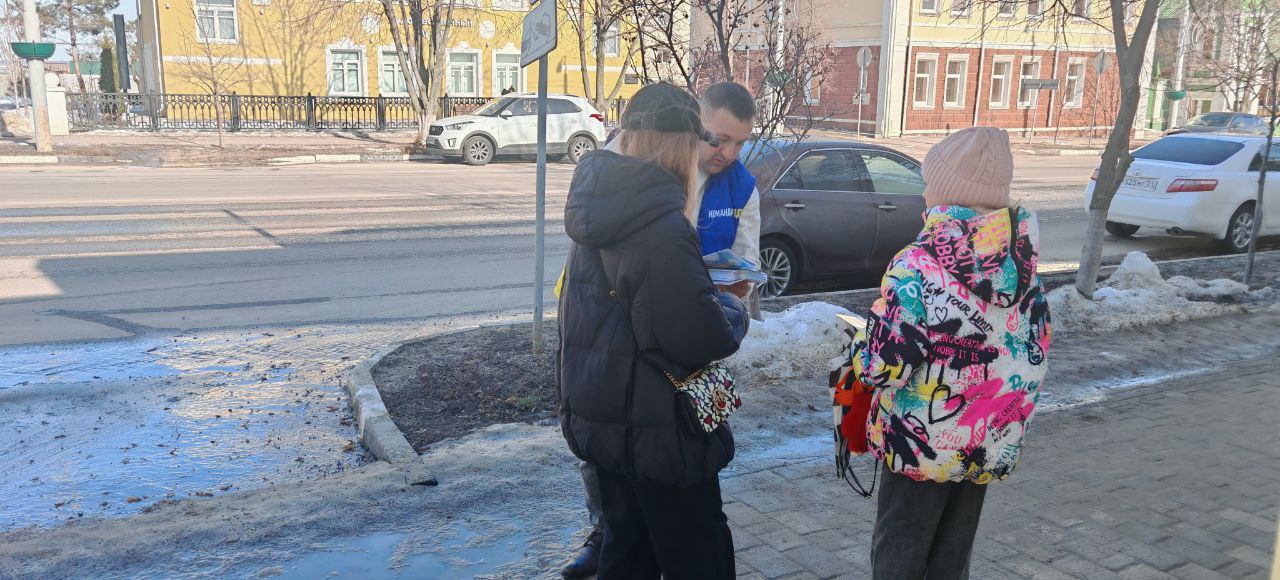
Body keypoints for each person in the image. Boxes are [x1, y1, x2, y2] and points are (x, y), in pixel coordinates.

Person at [561, 82, 761, 578]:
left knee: (628, 550)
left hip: (606, 414)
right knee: (698, 553)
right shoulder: (659, 226)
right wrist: (731, 308)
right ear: (681, 146)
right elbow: (698, 338)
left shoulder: (601, 206)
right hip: (659, 429)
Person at [845, 127, 1052, 579]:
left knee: (900, 553)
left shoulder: (917, 263)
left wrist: (860, 346)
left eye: (930, 182)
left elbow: (886, 364)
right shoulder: (1022, 268)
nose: (924, 191)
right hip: (985, 438)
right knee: (952, 558)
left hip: (919, 444)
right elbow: (1035, 347)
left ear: (950, 191)